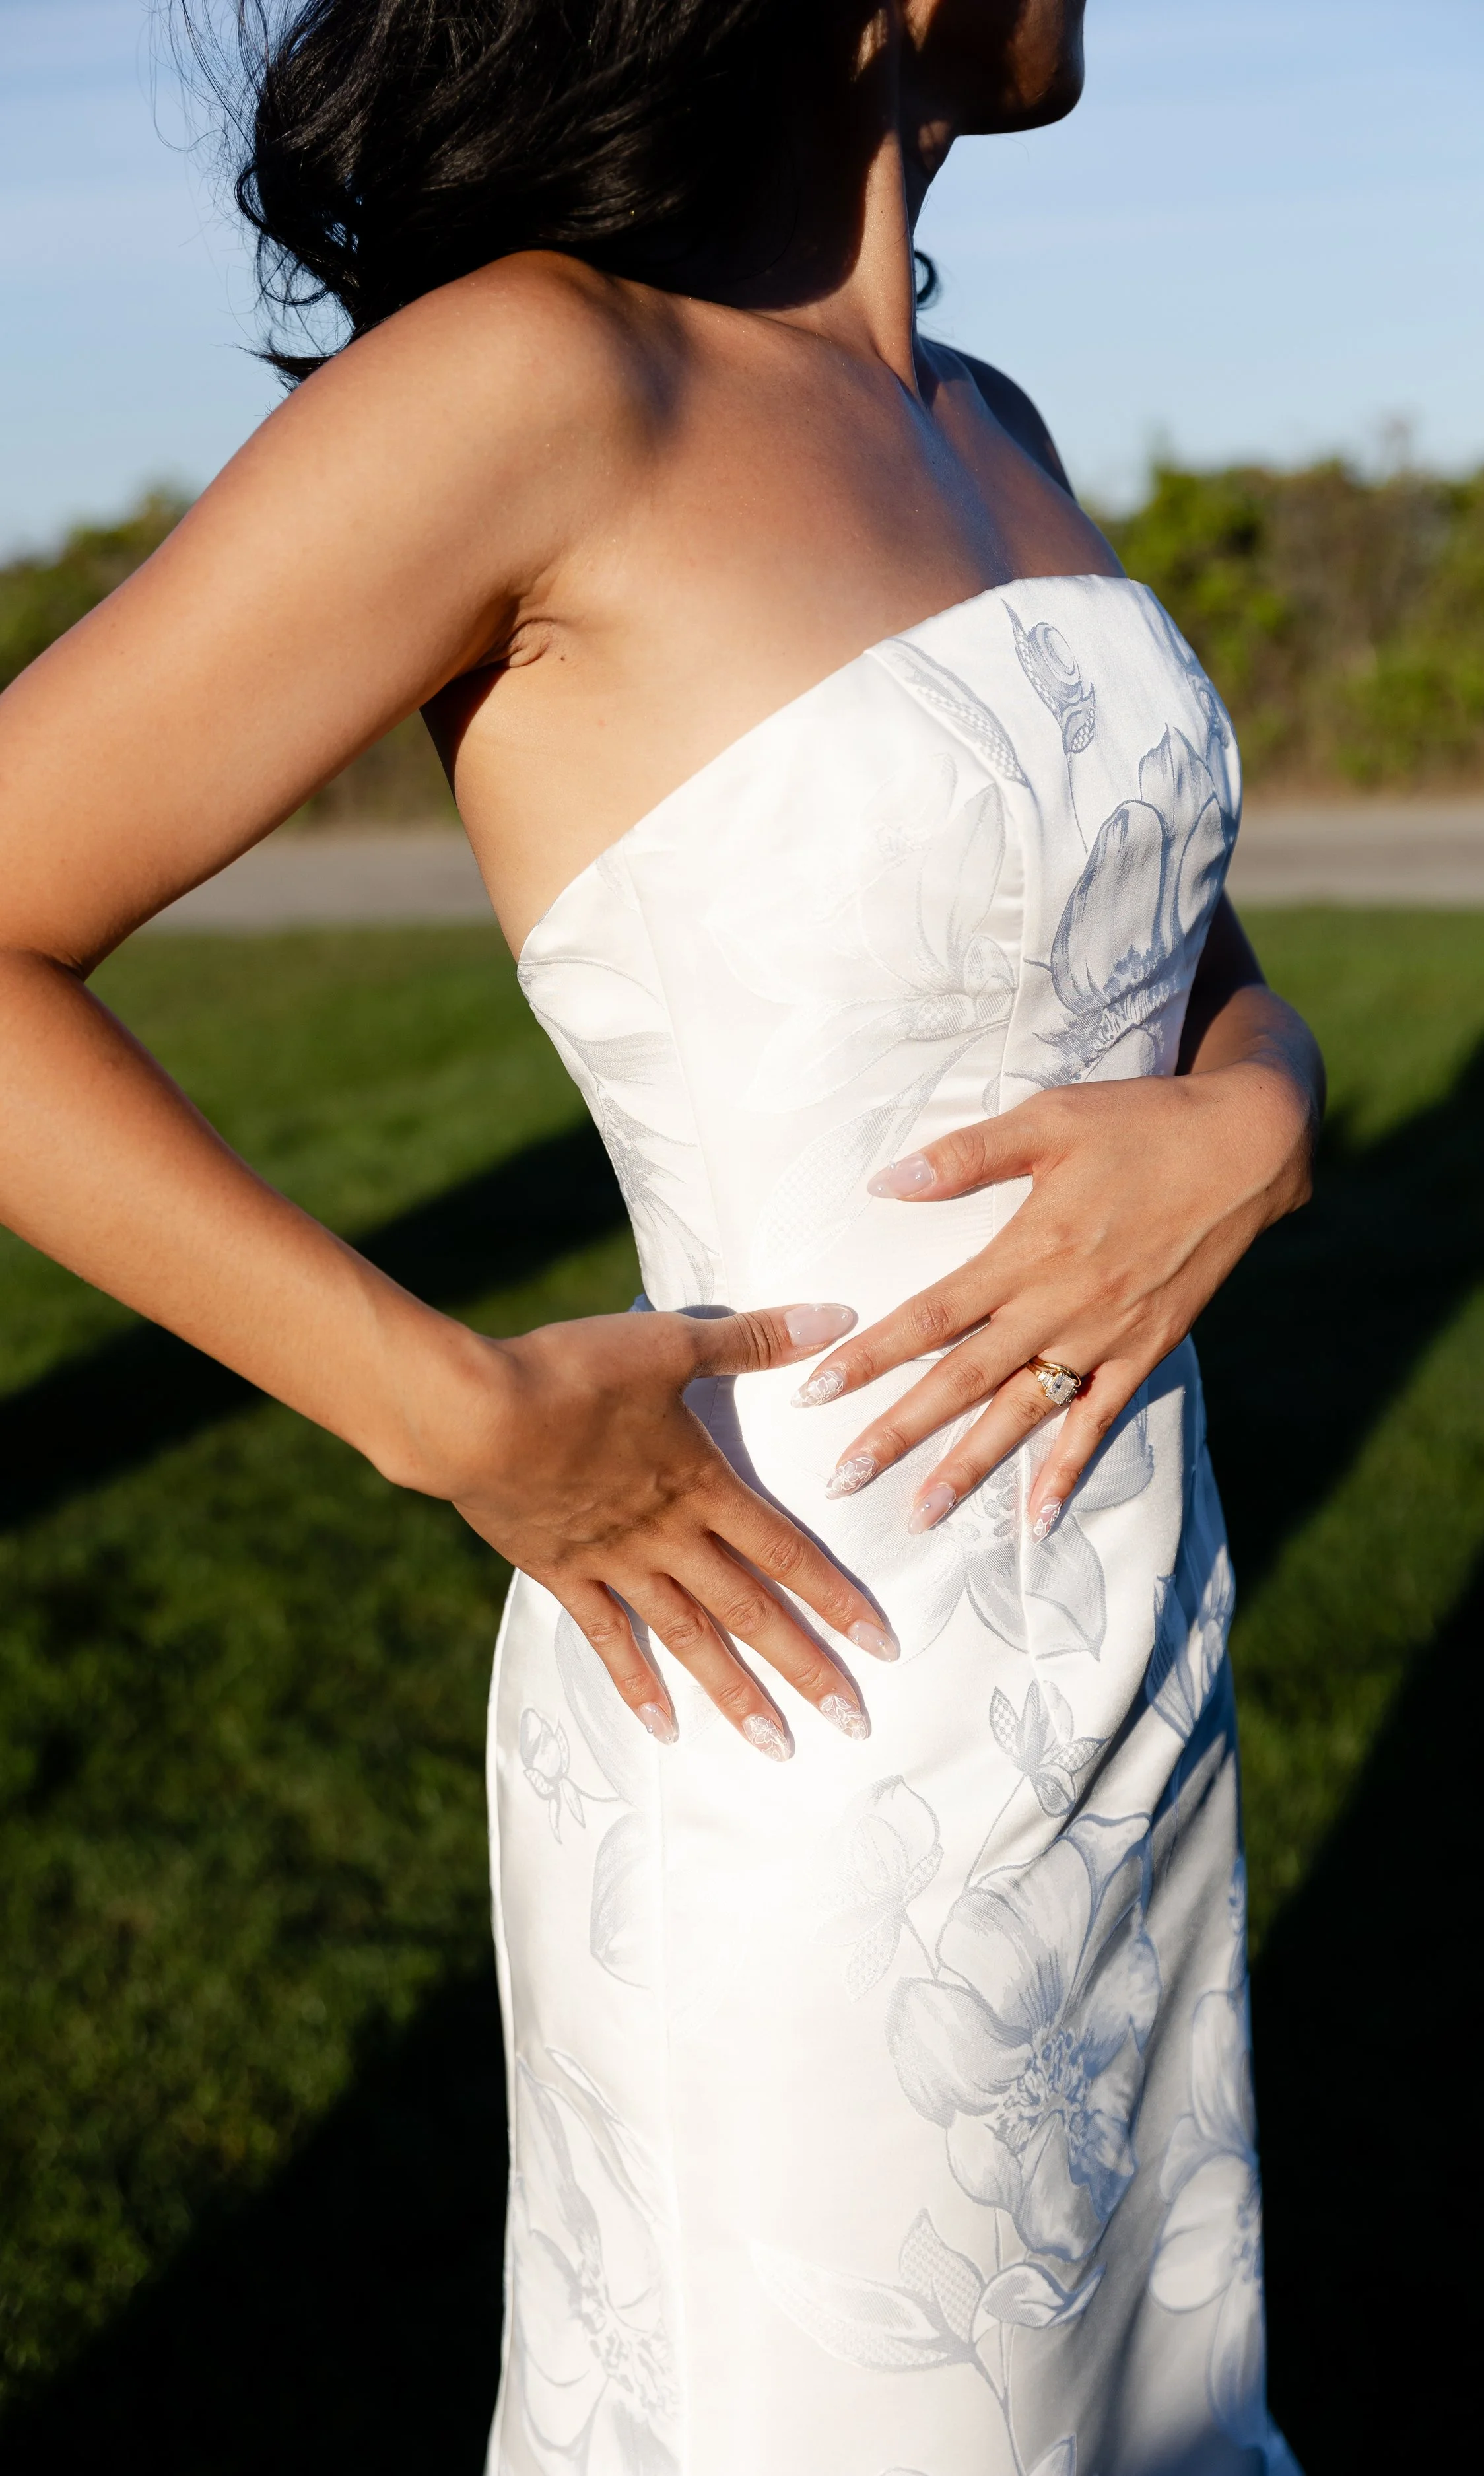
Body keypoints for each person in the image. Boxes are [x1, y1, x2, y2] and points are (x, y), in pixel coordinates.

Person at [0, 3, 1321, 2467]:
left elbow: (1191, 968)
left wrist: (1264, 1109)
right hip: (785, 1696)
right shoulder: (534, 381)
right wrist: (453, 1412)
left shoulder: (996, 429)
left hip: (1132, 1675)